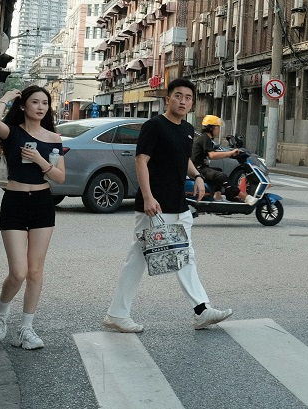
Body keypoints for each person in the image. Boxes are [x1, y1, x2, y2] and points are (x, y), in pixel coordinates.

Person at [101, 78, 234, 333]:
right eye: (178, 96)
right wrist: (148, 197)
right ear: (168, 99)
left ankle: (201, 310)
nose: (183, 101)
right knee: (138, 257)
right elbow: (141, 161)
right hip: (155, 204)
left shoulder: (186, 129)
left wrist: (197, 176)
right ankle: (117, 314)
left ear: (192, 103)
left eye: (188, 98)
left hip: (178, 203)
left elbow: (183, 159)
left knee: (185, 254)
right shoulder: (155, 126)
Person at [0, 86, 66, 350]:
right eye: (35, 102)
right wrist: (7, 97)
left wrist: (41, 160)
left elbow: (59, 177)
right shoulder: (13, 133)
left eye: (45, 103)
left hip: (42, 204)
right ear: (24, 106)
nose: (41, 107)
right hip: (15, 203)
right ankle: (0, 314)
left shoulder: (54, 138)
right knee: (18, 272)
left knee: (34, 271)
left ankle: (26, 329)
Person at [191, 115, 257, 205]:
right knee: (221, 176)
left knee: (219, 171)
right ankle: (245, 197)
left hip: (200, 167)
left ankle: (217, 195)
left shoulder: (206, 139)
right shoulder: (205, 139)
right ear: (211, 128)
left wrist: (231, 154)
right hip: (197, 169)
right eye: (217, 127)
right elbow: (212, 155)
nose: (218, 129)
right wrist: (229, 153)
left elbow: (213, 152)